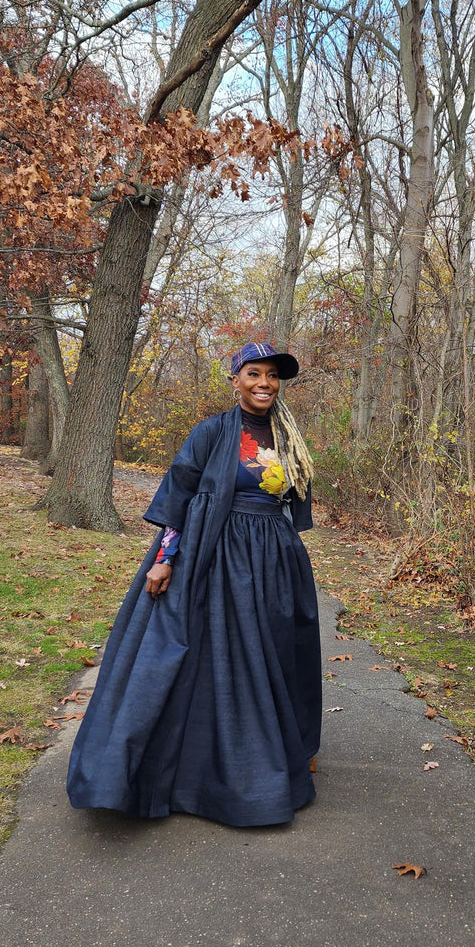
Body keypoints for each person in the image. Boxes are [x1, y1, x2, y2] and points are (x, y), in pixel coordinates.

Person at [66, 342, 322, 827]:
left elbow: (293, 500)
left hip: (272, 558)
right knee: (203, 653)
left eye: (272, 375)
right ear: (235, 379)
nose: (264, 383)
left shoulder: (289, 437)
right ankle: (193, 774)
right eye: (253, 373)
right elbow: (180, 495)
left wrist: (288, 554)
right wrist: (165, 560)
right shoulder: (211, 432)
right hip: (215, 554)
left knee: (273, 651)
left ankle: (277, 749)